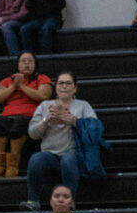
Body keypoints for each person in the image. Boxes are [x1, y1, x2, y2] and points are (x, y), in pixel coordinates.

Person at [26, 72, 97, 205]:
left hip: (74, 154)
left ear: (75, 88)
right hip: (50, 155)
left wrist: (73, 121)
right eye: (61, 83)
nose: (64, 86)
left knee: (68, 159)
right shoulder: (45, 106)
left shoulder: (83, 105)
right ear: (56, 87)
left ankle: (70, 202)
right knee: (35, 159)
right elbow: (32, 133)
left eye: (68, 83)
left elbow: (95, 130)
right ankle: (33, 201)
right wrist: (47, 120)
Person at [0, 51, 53, 179]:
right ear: (18, 65)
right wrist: (13, 86)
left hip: (31, 116)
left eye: (30, 61)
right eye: (23, 61)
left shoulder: (42, 79)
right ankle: (0, 165)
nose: (27, 64)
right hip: (8, 115)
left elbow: (43, 96)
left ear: (35, 65)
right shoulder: (8, 81)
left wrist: (22, 86)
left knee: (19, 123)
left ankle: (13, 165)